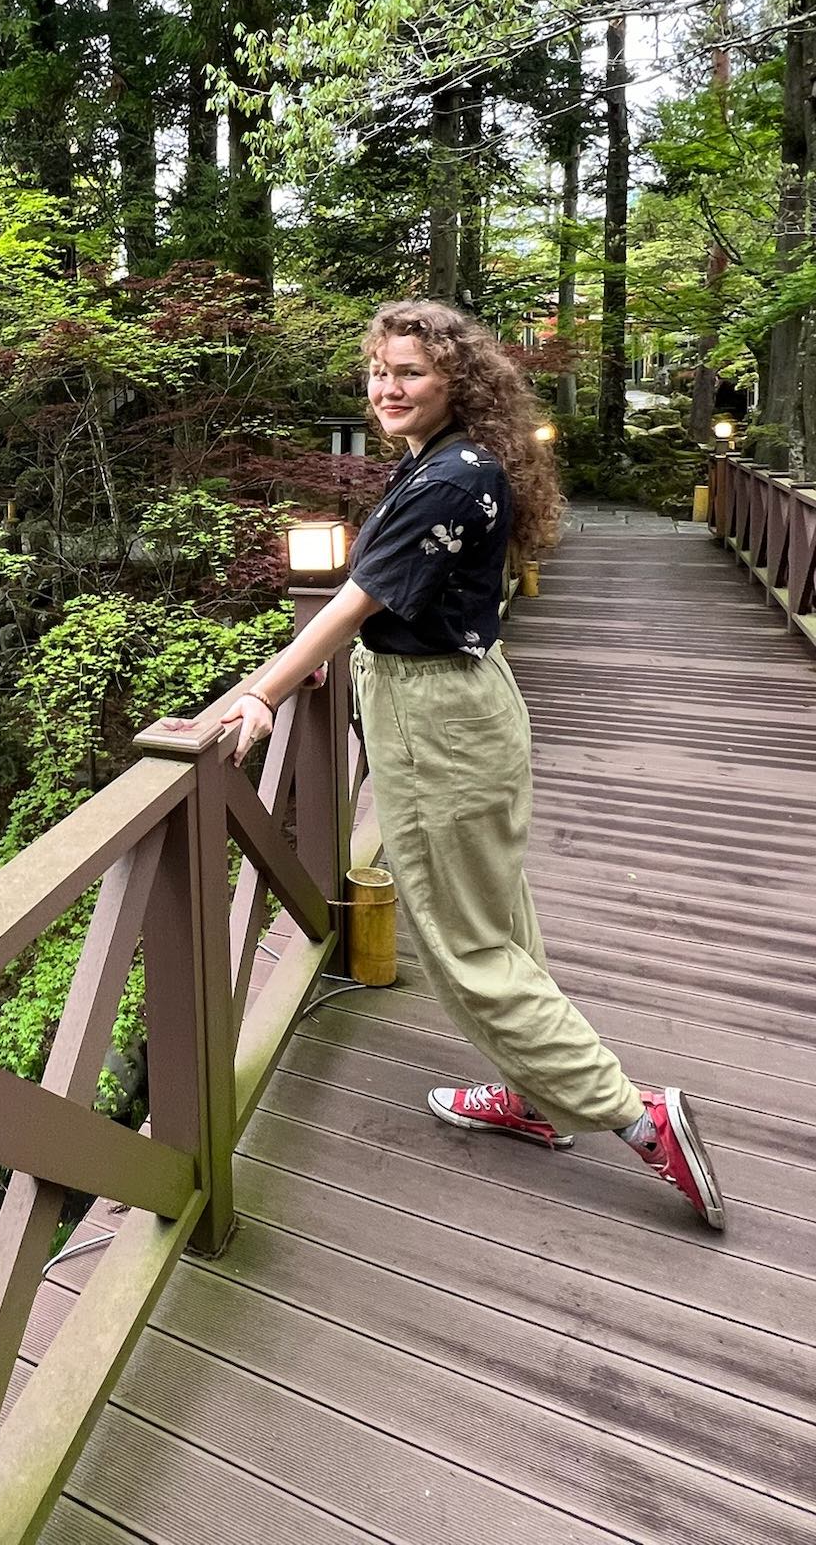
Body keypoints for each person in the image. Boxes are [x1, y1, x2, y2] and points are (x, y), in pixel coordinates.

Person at [218, 299, 726, 1230]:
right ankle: (534, 1094)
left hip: (437, 720)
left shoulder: (453, 479)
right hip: (463, 703)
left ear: (456, 379)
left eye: (408, 371)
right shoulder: (451, 461)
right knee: (497, 914)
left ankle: (636, 1117)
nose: (387, 388)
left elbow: (353, 605)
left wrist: (263, 690)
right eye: (378, 371)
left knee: (467, 944)